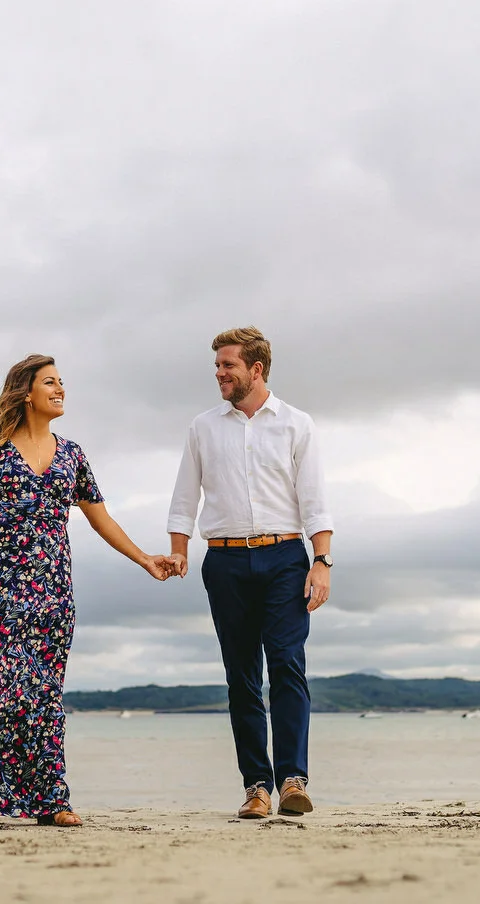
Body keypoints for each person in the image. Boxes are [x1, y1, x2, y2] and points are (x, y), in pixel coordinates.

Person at [0, 353, 181, 826]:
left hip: (54, 598)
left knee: (42, 698)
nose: (60, 390)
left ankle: (51, 802)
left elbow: (100, 518)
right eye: (50, 383)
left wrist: (144, 559)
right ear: (26, 392)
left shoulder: (73, 454)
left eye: (62, 383)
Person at [167, 327, 333, 819]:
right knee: (241, 675)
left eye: (227, 366)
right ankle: (257, 787)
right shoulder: (202, 427)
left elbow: (315, 500)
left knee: (286, 664)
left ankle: (292, 780)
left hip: (285, 559)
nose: (219, 373)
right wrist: (178, 551)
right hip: (225, 562)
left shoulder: (297, 425)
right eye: (217, 366)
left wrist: (321, 562)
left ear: (255, 369)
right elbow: (184, 497)